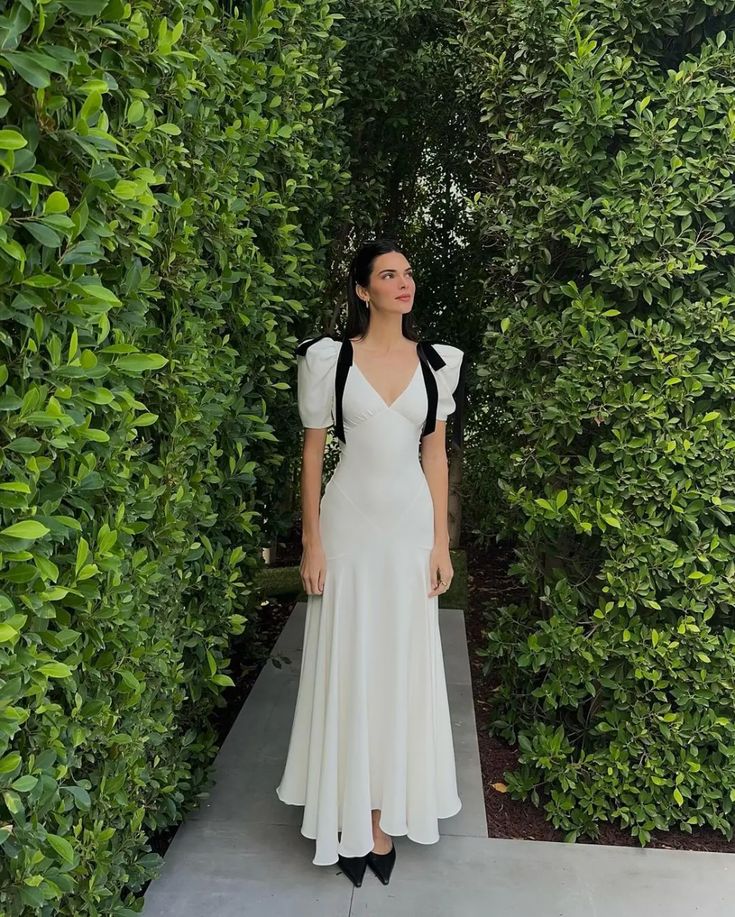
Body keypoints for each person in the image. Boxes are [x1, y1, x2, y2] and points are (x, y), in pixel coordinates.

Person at [275, 238, 465, 887]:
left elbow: (434, 456)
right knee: (348, 659)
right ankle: (344, 807)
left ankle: (380, 813)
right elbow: (310, 454)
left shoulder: (438, 361)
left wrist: (439, 543)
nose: (402, 282)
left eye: (407, 273)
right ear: (362, 290)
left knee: (398, 666)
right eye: (388, 274)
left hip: (409, 530)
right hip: (347, 527)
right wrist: (311, 542)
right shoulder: (329, 360)